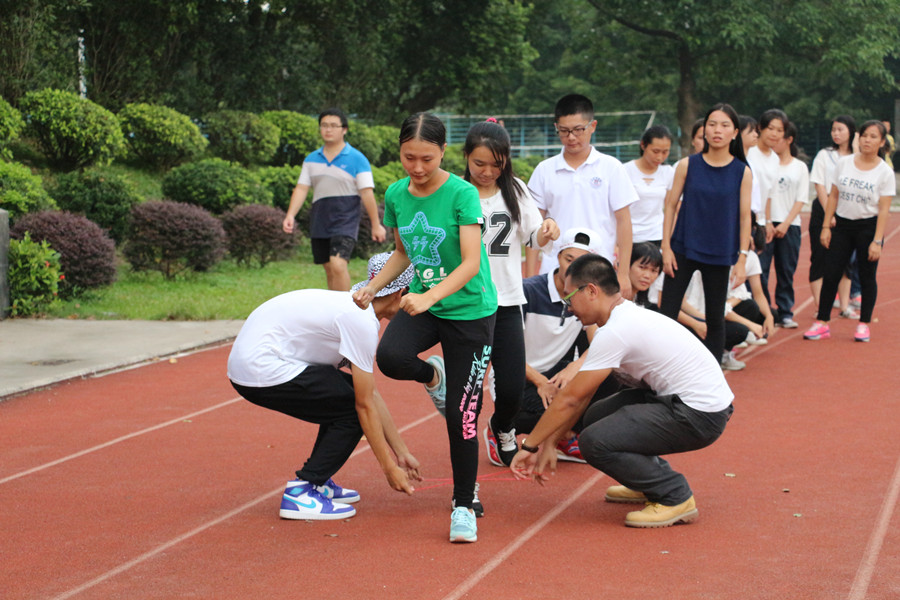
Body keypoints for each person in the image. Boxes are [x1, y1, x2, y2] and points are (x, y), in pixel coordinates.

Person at [352, 112, 497, 543]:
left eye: (427, 159)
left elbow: (470, 262)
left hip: (469, 311)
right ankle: (435, 375)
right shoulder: (397, 193)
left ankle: (463, 504)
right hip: (426, 303)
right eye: (408, 157)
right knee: (391, 357)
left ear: (443, 152)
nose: (417, 167)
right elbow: (403, 252)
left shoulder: (462, 194)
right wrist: (372, 287)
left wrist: (430, 297)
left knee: (462, 415)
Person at [510, 254, 734, 528]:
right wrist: (550, 443)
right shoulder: (624, 316)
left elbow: (569, 399)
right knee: (597, 417)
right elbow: (582, 395)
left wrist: (530, 445)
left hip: (700, 414)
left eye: (569, 298)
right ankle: (647, 481)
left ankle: (674, 495)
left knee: (593, 441)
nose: (568, 308)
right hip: (686, 402)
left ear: (591, 291)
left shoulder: (616, 330)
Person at [227, 252, 420, 521]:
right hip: (260, 369)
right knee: (352, 412)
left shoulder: (357, 309)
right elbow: (364, 406)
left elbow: (371, 394)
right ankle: (303, 490)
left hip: (259, 360)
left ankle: (316, 481)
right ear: (400, 293)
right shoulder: (360, 322)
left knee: (346, 395)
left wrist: (401, 453)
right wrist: (389, 469)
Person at [462, 119, 559, 468]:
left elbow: (534, 235)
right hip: (468, 303)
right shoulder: (456, 191)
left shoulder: (515, 190)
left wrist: (547, 230)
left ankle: (502, 426)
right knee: (469, 385)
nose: (488, 172)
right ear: (466, 157)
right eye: (480, 163)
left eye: (497, 164)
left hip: (506, 300)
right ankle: (465, 446)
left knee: (512, 385)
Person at [660, 103, 752, 363]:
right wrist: (666, 247)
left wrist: (742, 258)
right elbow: (670, 206)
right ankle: (661, 369)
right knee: (667, 314)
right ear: (704, 130)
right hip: (683, 247)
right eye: (712, 124)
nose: (717, 130)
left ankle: (711, 375)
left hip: (720, 252)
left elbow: (745, 217)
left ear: (735, 133)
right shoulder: (687, 165)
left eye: (724, 125)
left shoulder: (742, 172)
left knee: (715, 318)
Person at [510, 228, 609, 464]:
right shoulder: (528, 291)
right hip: (520, 376)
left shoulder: (588, 295)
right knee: (563, 406)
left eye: (582, 263)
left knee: (610, 378)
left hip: (556, 375)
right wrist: (540, 382)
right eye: (569, 259)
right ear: (558, 257)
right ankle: (501, 427)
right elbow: (504, 352)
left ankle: (565, 435)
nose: (573, 268)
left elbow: (601, 344)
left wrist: (575, 366)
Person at [525, 94, 637, 298]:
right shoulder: (544, 170)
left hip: (599, 271)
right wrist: (531, 277)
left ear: (592, 126)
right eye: (564, 131)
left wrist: (623, 274)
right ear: (556, 127)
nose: (571, 137)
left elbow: (624, 222)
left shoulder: (611, 168)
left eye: (578, 130)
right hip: (554, 270)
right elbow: (534, 226)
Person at [804, 120, 896, 343]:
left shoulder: (885, 172)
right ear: (858, 138)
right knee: (831, 273)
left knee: (866, 276)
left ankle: (864, 324)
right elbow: (833, 196)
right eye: (864, 135)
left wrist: (877, 241)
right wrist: (826, 226)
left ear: (881, 142)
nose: (867, 140)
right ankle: (822, 322)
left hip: (868, 227)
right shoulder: (844, 163)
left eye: (873, 136)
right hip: (842, 227)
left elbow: (884, 210)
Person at [282, 108, 387, 291]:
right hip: (320, 218)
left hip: (345, 219)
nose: (328, 129)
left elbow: (367, 193)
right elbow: (302, 188)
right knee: (329, 268)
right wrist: (290, 215)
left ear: (344, 129)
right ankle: (333, 307)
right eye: (324, 125)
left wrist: (376, 224)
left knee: (338, 264)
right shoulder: (311, 159)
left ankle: (344, 305)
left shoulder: (357, 159)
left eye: (333, 125)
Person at [759, 121, 809, 328]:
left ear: (789, 140)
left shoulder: (800, 167)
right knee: (761, 271)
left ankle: (785, 311)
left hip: (790, 225)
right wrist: (768, 222)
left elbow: (801, 198)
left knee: (786, 271)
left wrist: (786, 223)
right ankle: (763, 312)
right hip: (766, 224)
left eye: (779, 134)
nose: (774, 138)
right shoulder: (766, 163)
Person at [809, 115, 858, 318]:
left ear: (851, 132)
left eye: (841, 129)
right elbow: (819, 184)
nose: (836, 133)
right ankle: (821, 307)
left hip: (847, 211)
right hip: (824, 209)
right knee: (819, 257)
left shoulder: (857, 157)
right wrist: (829, 212)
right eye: (833, 130)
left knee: (845, 261)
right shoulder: (824, 155)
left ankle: (844, 306)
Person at [625, 126, 675, 245]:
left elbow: (670, 208)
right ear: (643, 145)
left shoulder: (668, 172)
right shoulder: (625, 171)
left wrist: (667, 241)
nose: (660, 157)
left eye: (665, 152)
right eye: (655, 151)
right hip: (630, 236)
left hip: (657, 236)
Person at [747, 109, 787, 235]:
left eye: (779, 130)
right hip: (744, 218)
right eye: (770, 128)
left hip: (760, 222)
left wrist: (768, 221)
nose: (774, 134)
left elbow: (769, 194)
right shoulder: (749, 152)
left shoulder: (775, 159)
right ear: (760, 128)